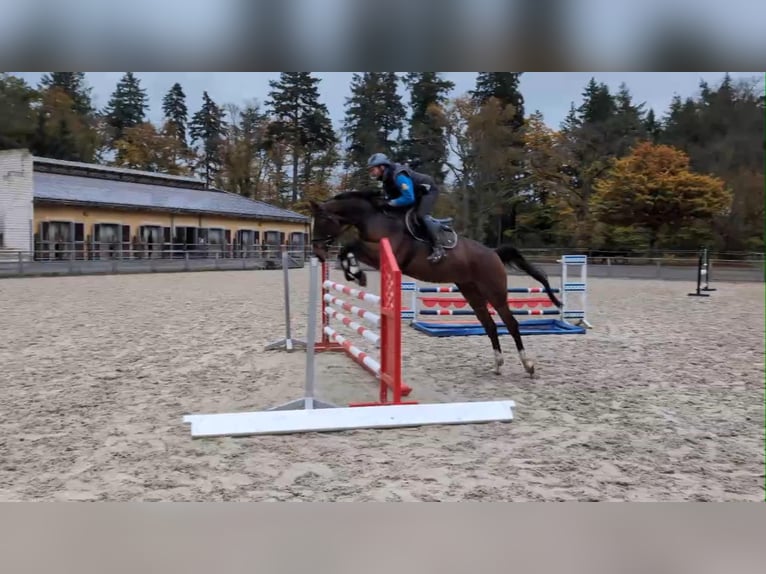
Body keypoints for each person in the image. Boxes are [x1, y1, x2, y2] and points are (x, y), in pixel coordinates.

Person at [366, 152, 446, 263]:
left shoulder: (398, 176)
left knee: (420, 215)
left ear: (382, 167)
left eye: (372, 169)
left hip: (428, 192)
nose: (371, 173)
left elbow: (409, 198)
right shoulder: (386, 180)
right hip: (416, 194)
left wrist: (390, 203)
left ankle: (438, 248)